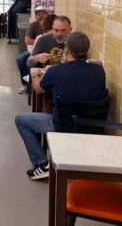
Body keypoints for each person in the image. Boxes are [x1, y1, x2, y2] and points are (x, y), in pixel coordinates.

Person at [14, 31, 106, 179]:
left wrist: (37, 74)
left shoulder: (56, 71)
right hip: (91, 125)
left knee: (21, 120)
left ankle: (41, 163)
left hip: (63, 125)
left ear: (67, 49)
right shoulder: (99, 71)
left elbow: (38, 89)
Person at [15, 6, 48, 93]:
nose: (40, 16)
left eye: (42, 14)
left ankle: (40, 84)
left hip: (47, 51)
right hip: (34, 50)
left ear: (47, 14)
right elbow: (27, 40)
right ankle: (25, 84)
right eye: (38, 14)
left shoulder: (50, 24)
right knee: (20, 59)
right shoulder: (34, 25)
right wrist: (41, 41)